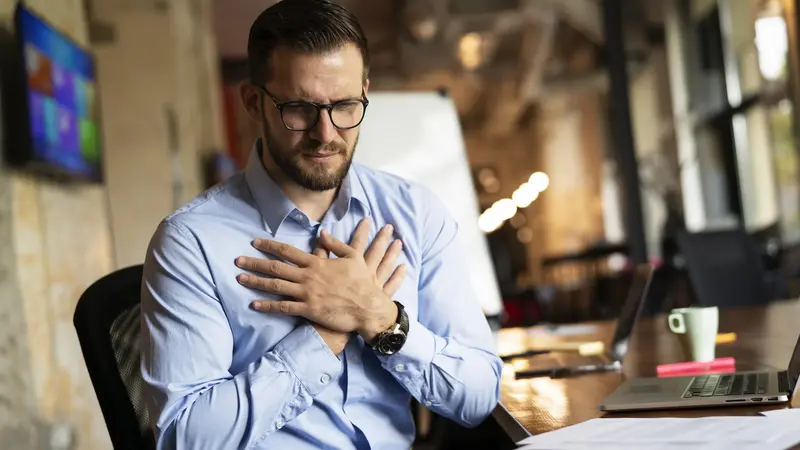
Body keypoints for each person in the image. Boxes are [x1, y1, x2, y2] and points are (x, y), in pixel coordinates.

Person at [140, 0, 502, 448]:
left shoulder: (415, 212)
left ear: (365, 92)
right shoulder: (189, 241)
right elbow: (184, 438)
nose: (326, 134)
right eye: (299, 109)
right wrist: (324, 334)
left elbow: (479, 395)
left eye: (346, 106)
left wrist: (379, 317)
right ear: (255, 102)